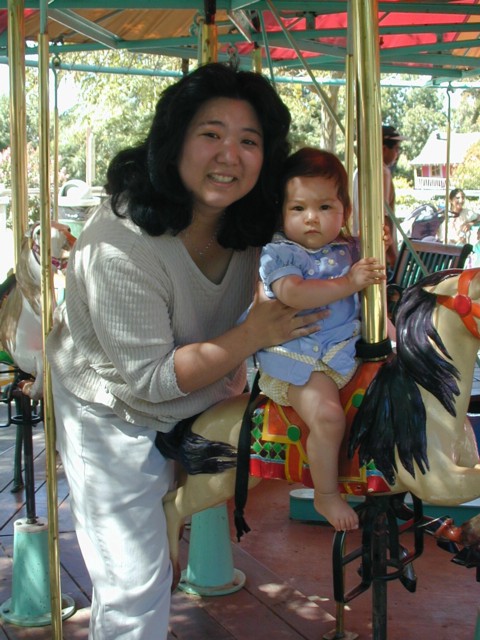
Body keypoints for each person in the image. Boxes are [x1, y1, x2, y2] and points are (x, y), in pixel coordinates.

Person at [46, 63, 326, 640]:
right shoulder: (119, 246)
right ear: (173, 141)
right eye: (211, 134)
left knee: (164, 553)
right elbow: (148, 379)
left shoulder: (248, 224)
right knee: (133, 585)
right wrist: (254, 335)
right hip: (114, 409)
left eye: (249, 141)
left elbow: (315, 237)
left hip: (202, 393)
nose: (230, 154)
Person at [253, 147, 386, 532]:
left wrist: (378, 247)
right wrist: (348, 282)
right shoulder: (279, 254)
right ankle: (326, 494)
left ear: (344, 210)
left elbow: (372, 281)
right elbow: (294, 293)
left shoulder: (348, 249)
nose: (312, 218)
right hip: (299, 360)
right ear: (282, 212)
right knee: (327, 417)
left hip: (346, 353)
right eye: (299, 209)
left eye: (325, 207)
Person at [352, 124, 406, 273]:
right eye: (396, 149)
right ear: (383, 149)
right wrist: (393, 256)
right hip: (378, 251)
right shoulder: (382, 172)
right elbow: (382, 216)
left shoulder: (358, 172)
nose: (397, 153)